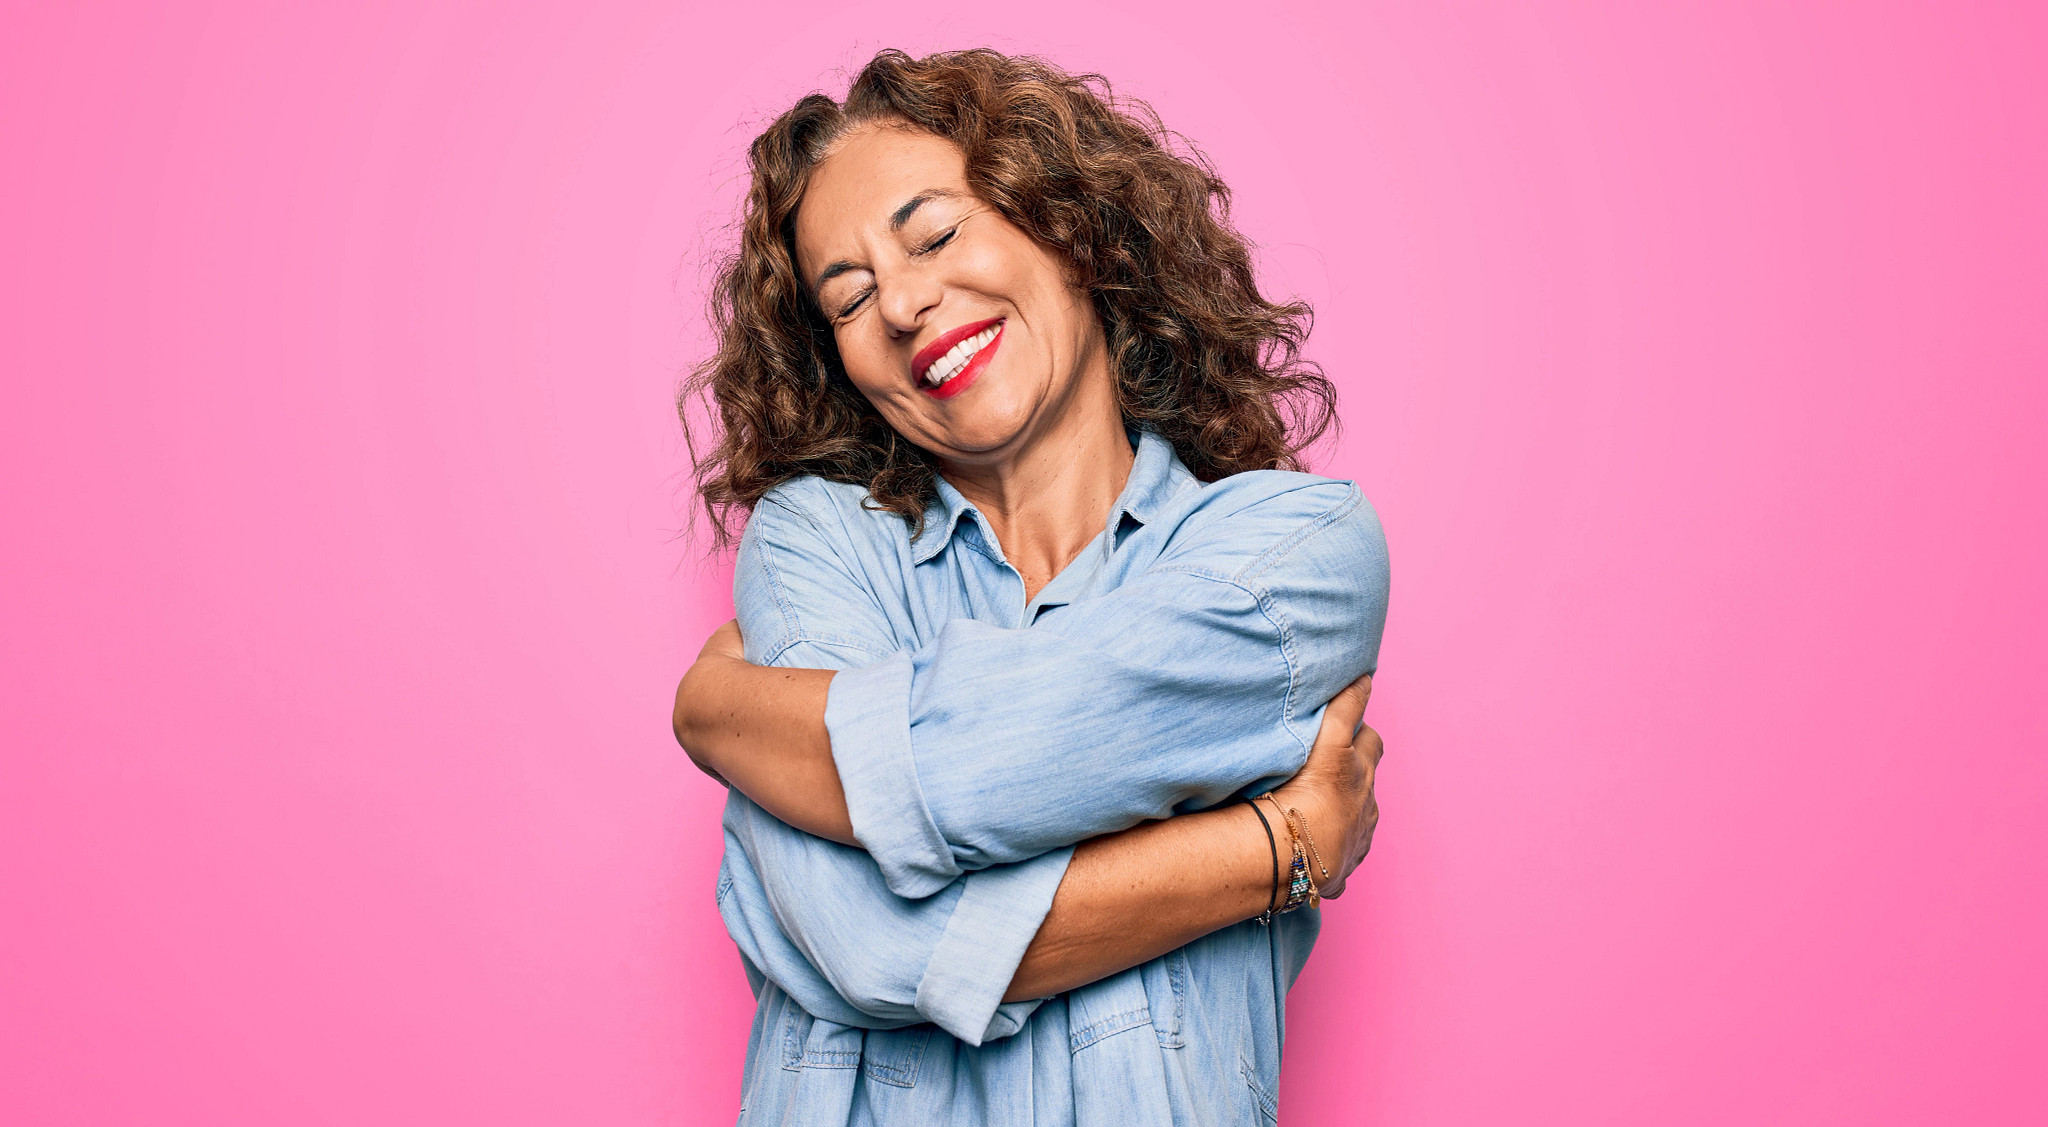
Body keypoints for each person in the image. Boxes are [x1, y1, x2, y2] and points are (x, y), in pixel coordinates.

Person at [671, 48, 1390, 1126]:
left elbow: (948, 819)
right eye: (850, 296)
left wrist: (723, 711)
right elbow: (867, 942)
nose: (903, 302)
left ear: (1070, 229)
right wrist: (1270, 847)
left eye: (933, 235)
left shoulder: (1294, 557)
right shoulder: (814, 544)